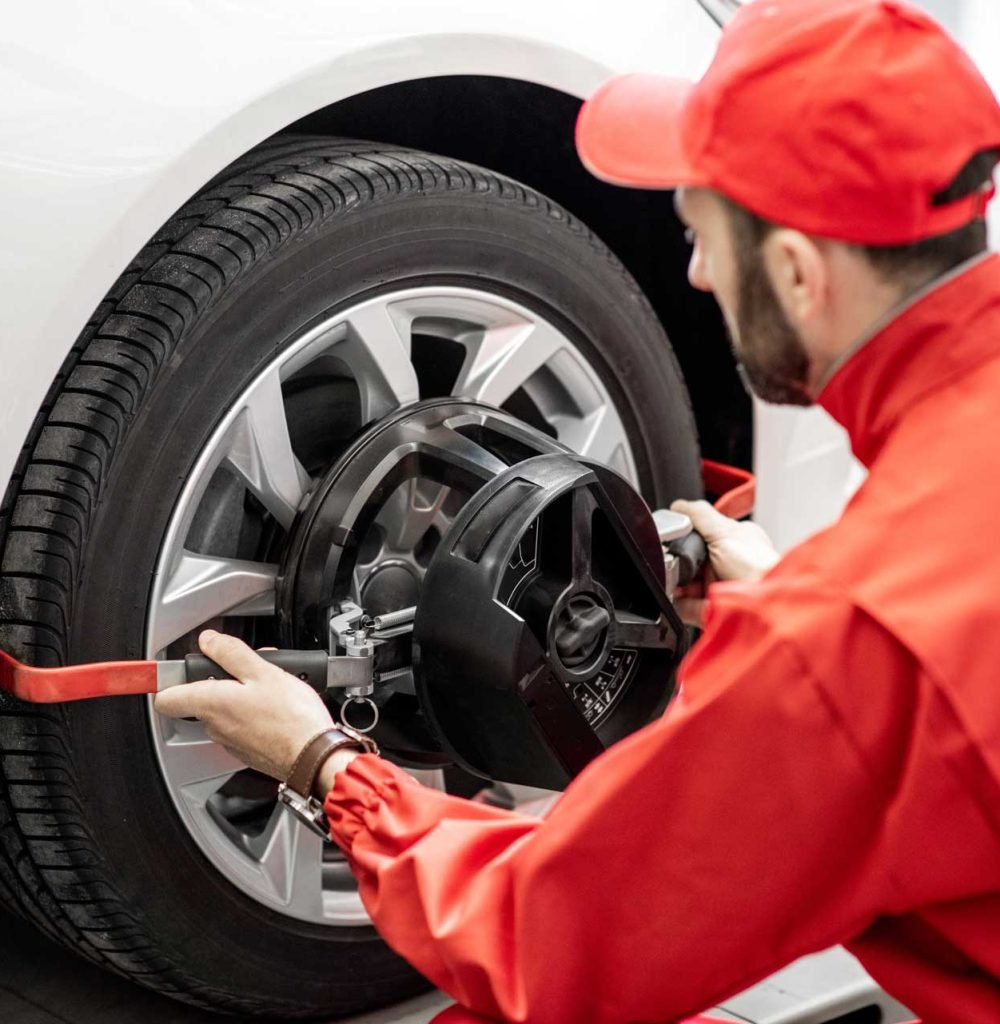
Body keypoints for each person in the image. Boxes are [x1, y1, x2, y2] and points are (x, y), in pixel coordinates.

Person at [155, 1, 1000, 1021]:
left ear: (794, 274)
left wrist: (326, 763)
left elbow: (549, 947)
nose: (690, 274)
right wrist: (808, 631)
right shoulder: (891, 605)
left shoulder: (850, 644)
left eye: (699, 238)